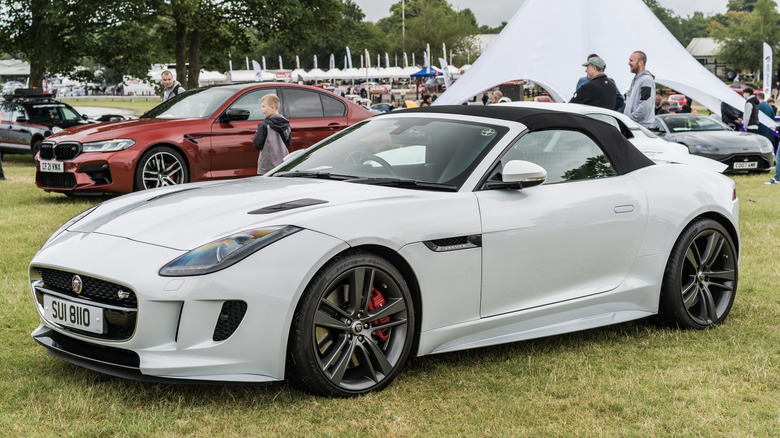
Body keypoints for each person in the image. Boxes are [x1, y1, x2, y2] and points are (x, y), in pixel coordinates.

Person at [253, 93, 291, 174]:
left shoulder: (264, 125)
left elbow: (257, 144)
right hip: (283, 162)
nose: (261, 109)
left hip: (267, 165)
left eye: (263, 106)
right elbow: (288, 143)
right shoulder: (287, 124)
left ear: (272, 107)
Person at [623, 50, 655, 128]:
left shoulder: (646, 80)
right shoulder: (636, 79)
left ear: (640, 63)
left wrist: (630, 120)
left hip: (641, 127)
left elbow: (645, 105)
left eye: (631, 60)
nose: (629, 63)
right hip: (633, 126)